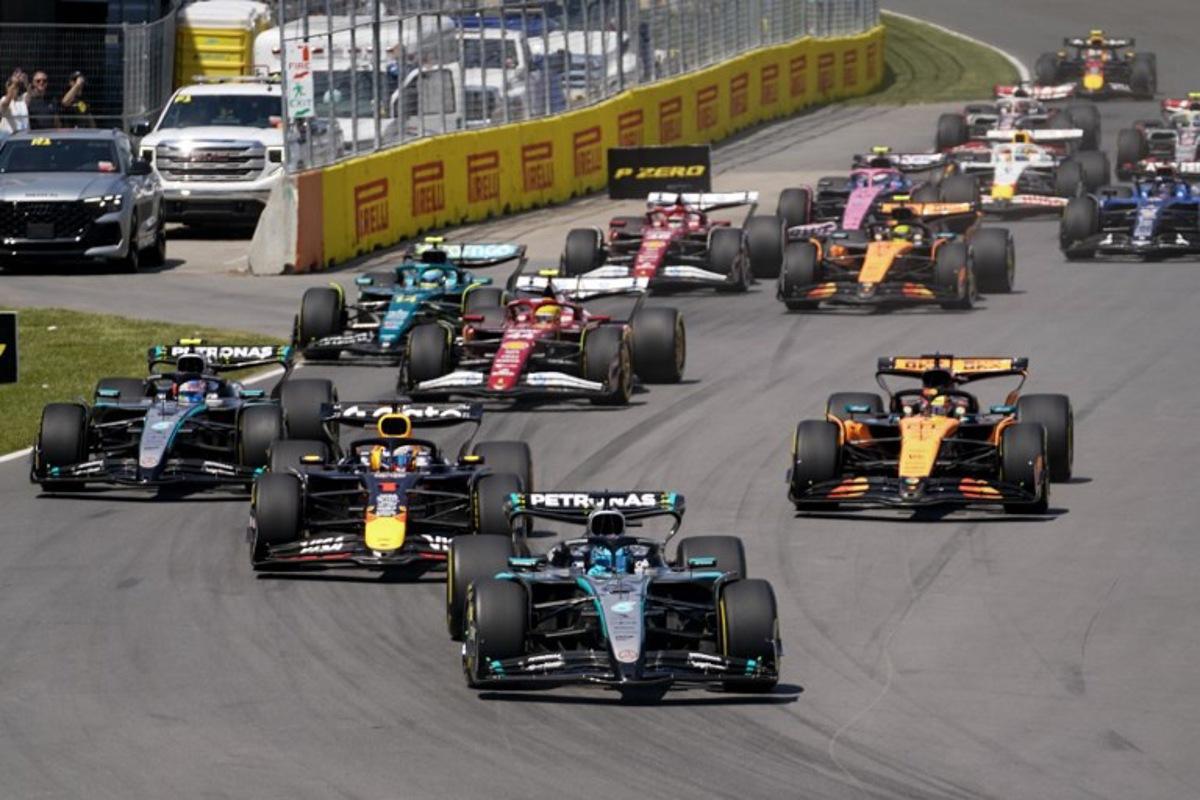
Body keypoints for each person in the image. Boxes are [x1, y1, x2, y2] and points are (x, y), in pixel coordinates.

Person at [1, 69, 30, 137]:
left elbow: (30, 94)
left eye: (17, 87)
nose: (15, 88)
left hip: (23, 138)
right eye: (11, 85)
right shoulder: (3, 99)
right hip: (7, 140)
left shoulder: (22, 100)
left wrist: (26, 82)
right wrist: (14, 83)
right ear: (7, 87)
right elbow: (5, 103)